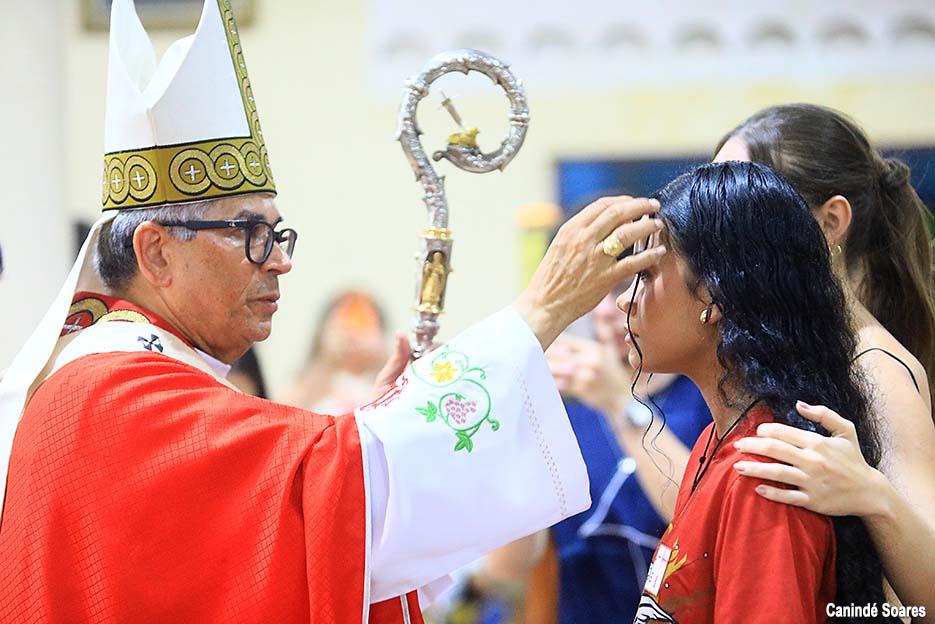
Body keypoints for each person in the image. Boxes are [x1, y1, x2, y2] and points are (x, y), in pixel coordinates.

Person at [0, 1, 668, 622]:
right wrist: (542, 309)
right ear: (157, 252)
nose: (278, 261)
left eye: (278, 234)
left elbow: (302, 501)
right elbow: (330, 485)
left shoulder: (126, 375)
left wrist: (372, 426)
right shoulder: (111, 391)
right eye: (249, 233)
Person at [626, 161, 891, 623]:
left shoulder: (765, 470)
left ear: (713, 297)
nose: (622, 300)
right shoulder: (716, 443)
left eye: (646, 275)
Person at [714, 104, 935, 615]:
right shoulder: (785, 356)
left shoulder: (875, 365)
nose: (718, 238)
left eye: (743, 211)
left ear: (831, 221)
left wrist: (872, 495)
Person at [280, 290, 389, 414]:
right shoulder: (305, 387)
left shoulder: (391, 383)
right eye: (343, 324)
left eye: (364, 323)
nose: (353, 334)